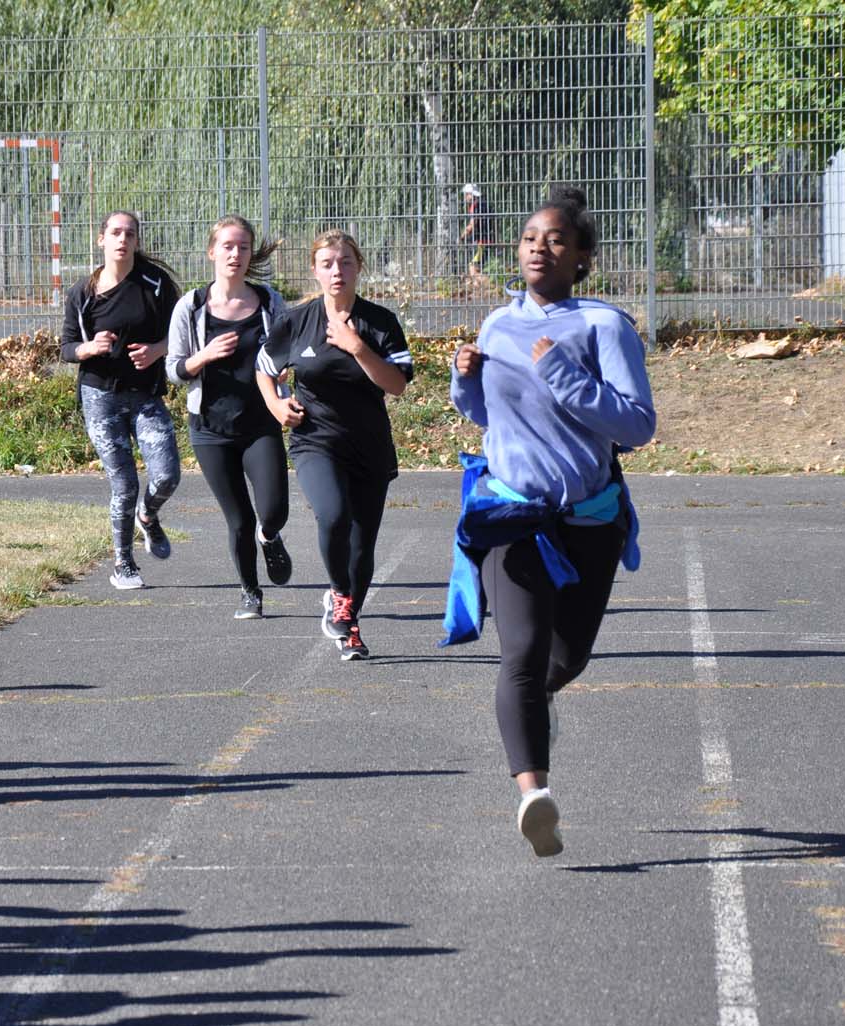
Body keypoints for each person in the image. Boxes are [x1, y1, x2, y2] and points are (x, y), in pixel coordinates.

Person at [446, 186, 656, 857]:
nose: (540, 247)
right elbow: (485, 417)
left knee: (568, 657)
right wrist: (464, 381)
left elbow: (637, 424)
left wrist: (567, 378)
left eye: (557, 239)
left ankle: (538, 716)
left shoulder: (603, 327)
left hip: (589, 520)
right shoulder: (497, 326)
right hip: (512, 513)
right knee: (523, 656)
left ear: (582, 258)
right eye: (532, 237)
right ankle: (534, 796)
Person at [256, 230, 412, 660]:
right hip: (315, 440)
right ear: (315, 270)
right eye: (327, 263)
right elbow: (263, 368)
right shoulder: (296, 321)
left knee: (362, 548)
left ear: (358, 267)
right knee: (333, 514)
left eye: (345, 262)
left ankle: (348, 619)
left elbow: (396, 385)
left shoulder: (380, 323)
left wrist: (357, 347)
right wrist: (275, 404)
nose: (337, 271)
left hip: (369, 447)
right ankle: (340, 595)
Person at [167, 215, 291, 619]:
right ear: (212, 252)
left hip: (261, 424)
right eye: (227, 246)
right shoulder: (191, 306)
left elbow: (289, 351)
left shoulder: (270, 301)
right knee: (238, 518)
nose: (235, 254)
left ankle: (269, 537)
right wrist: (203, 356)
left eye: (242, 247)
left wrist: (286, 370)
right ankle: (250, 593)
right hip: (211, 429)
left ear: (250, 253)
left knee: (272, 511)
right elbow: (172, 369)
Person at [60, 211, 182, 590]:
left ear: (136, 241)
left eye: (129, 233)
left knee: (166, 475)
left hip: (145, 396)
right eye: (115, 232)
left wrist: (156, 351)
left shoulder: (157, 285)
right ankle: (123, 563)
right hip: (100, 396)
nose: (122, 239)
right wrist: (89, 348)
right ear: (101, 240)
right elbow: (65, 348)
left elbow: (179, 337)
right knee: (125, 482)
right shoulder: (83, 293)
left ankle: (149, 515)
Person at [460, 183, 496, 283]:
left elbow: (472, 224)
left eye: (466, 194)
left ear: (471, 194)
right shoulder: (485, 204)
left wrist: (462, 235)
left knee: (473, 267)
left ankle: (492, 283)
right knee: (478, 267)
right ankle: (477, 286)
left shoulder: (475, 206)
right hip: (489, 238)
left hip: (481, 241)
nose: (465, 197)